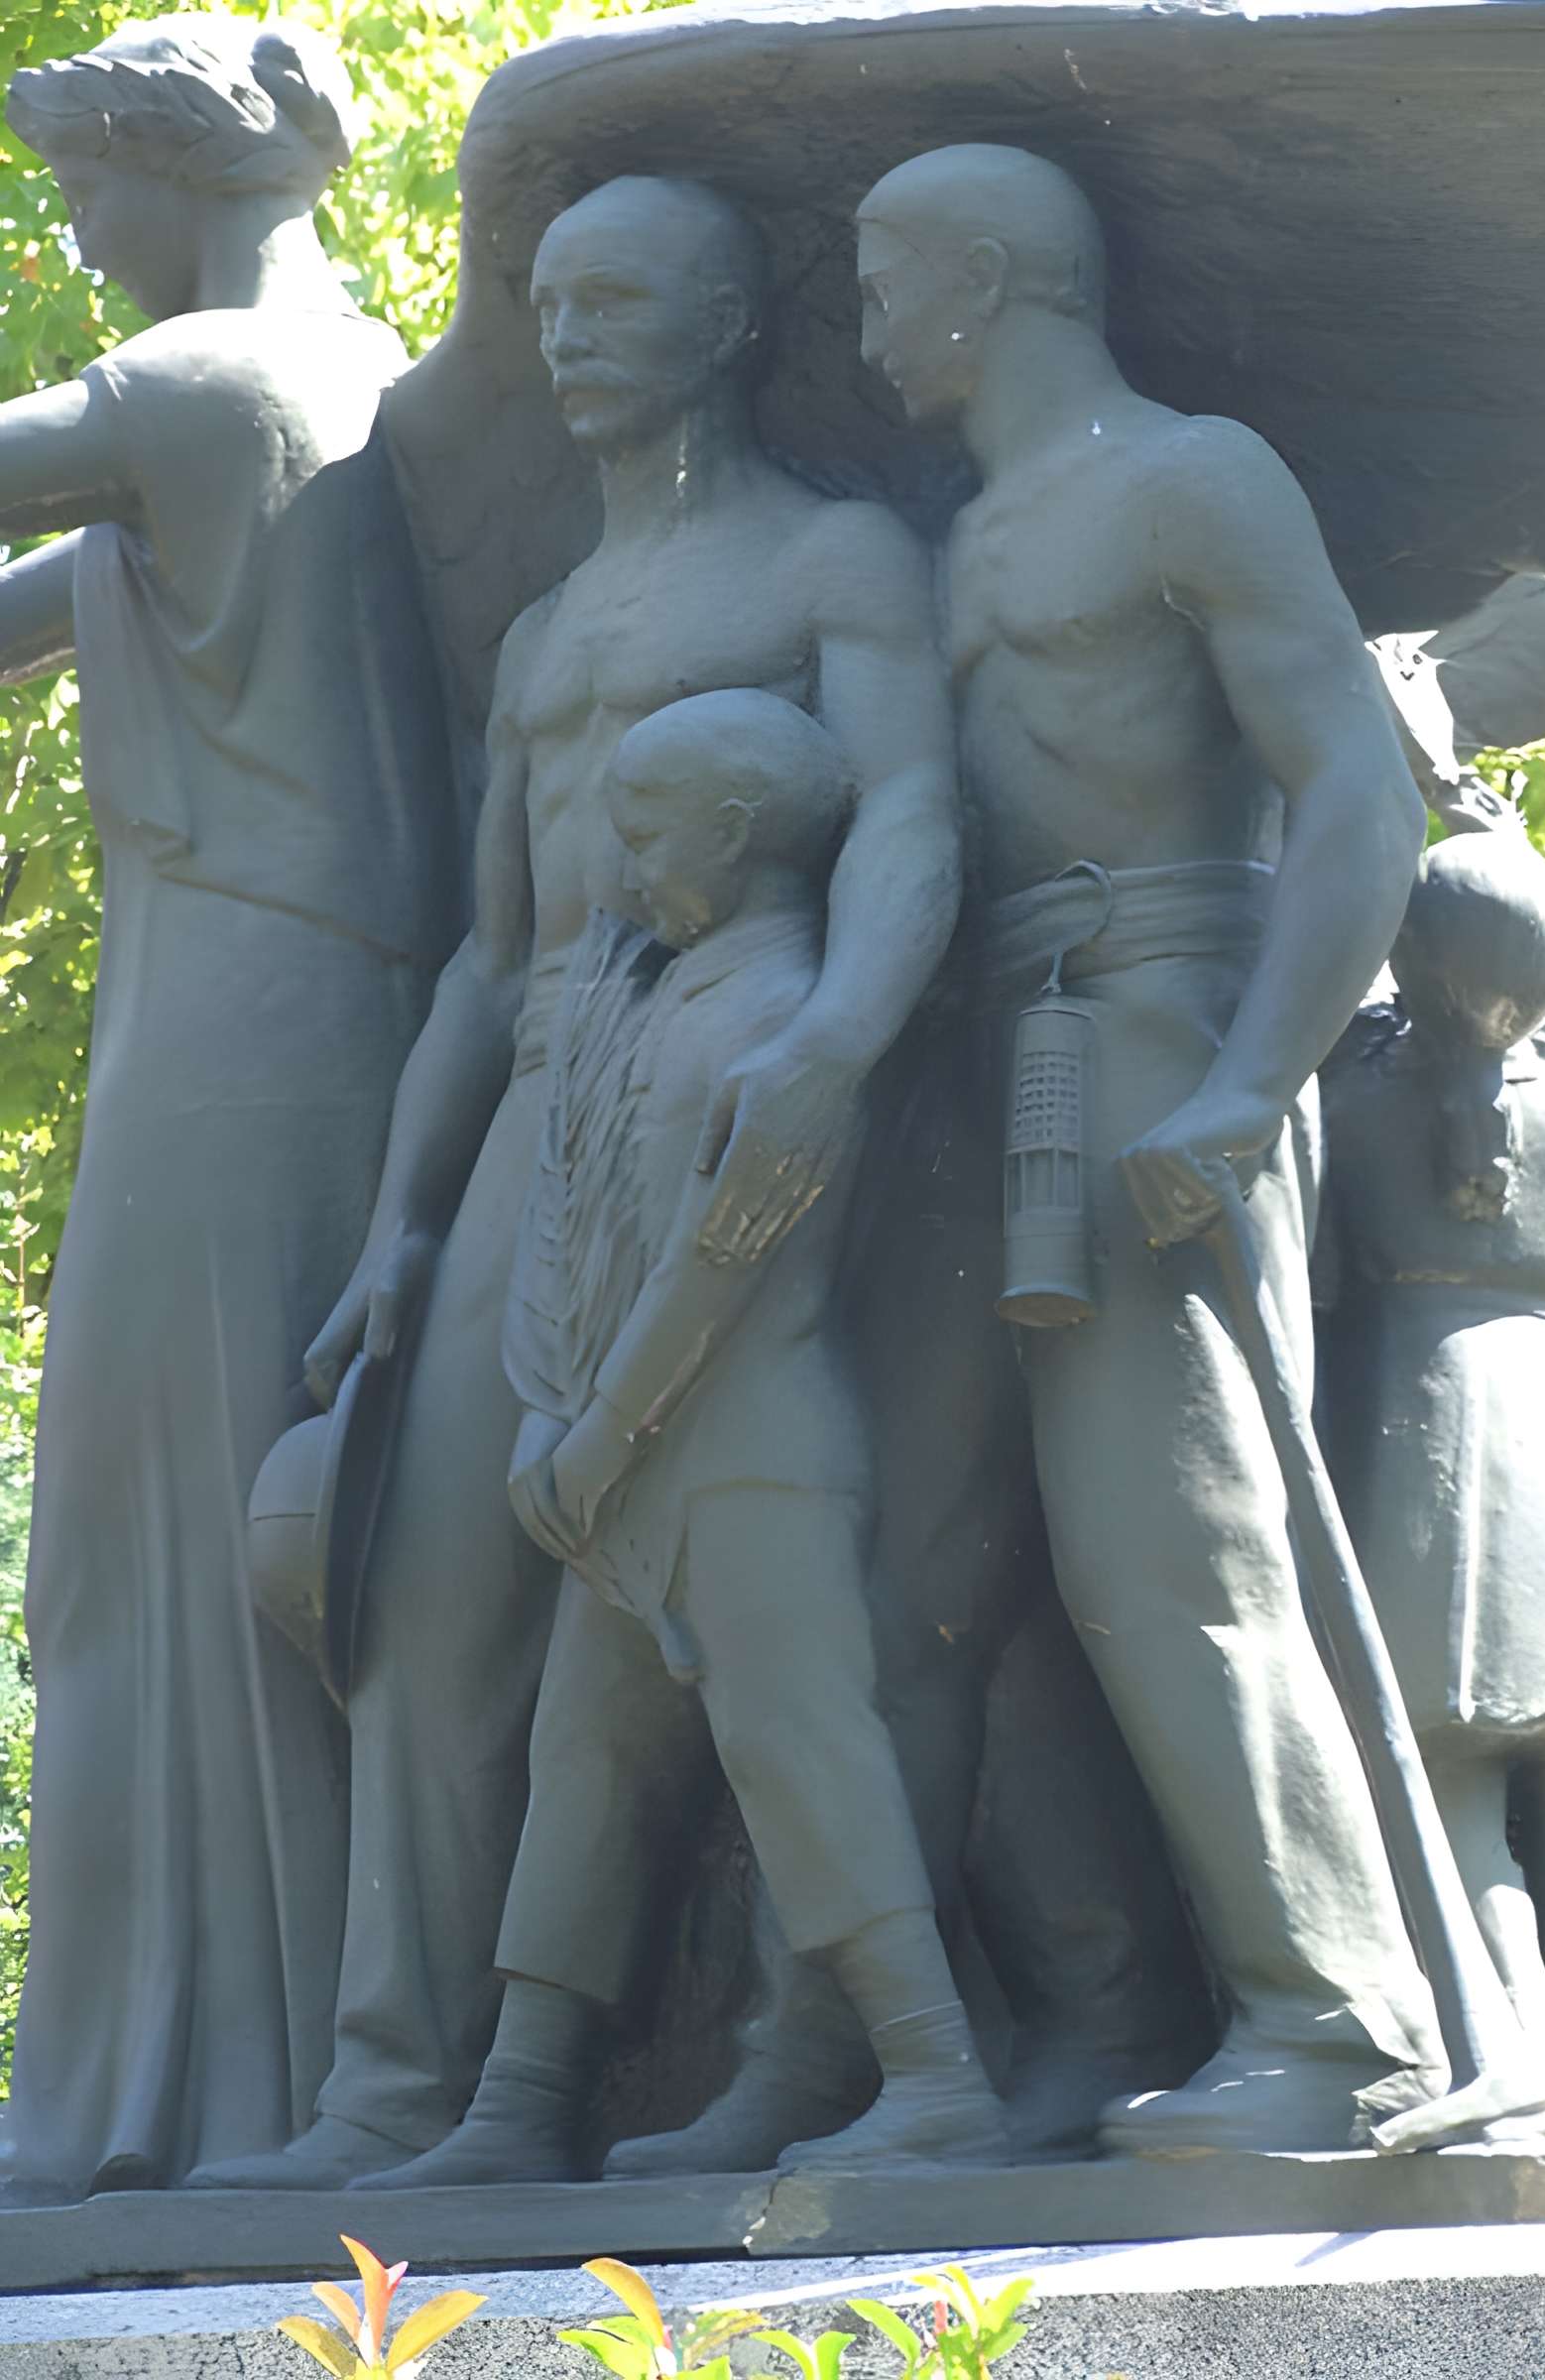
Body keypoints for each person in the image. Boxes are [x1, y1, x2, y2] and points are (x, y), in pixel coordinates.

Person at [192, 174, 963, 2189]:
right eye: (547, 300)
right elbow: (483, 956)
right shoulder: (538, 630)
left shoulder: (836, 557)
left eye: (619, 297)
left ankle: (841, 2048)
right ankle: (401, 2087)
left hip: (733, 1086)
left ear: (725, 324)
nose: (566, 334)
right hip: (543, 1098)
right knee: (437, 1597)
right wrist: (400, 1226)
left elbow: (905, 818)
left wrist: (834, 1045)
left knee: (758, 1622)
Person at [854, 143, 1443, 2153]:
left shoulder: (1193, 477)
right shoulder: (952, 539)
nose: (859, 329)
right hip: (985, 1068)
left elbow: (1358, 789)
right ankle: (1091, 2021)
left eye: (883, 278)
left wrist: (1247, 1087)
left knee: (1167, 1552)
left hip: (1158, 1030)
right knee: (935, 1578)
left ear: (993, 278)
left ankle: (1340, 2029)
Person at [0, 16, 453, 2200]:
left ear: (171, 169)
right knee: (211, 1524)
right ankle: (219, 2077)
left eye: (82, 186)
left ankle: (162, 2101)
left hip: (243, 1009)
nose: (73, 235)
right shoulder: (355, 380)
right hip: (303, 1010)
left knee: (148, 1536)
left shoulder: (214, 382)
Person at [372, 692, 1010, 2184]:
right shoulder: (645, 1000)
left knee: (802, 1751)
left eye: (644, 821)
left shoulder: (791, 1016)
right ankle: (522, 2100)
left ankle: (936, 2077)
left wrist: (593, 1434)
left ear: (735, 833)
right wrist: (560, 1420)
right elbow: (588, 1223)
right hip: (619, 1462)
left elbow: (719, 1261)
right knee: (584, 1757)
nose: (613, 851)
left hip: (746, 1454)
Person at [1321, 834, 1545, 2133]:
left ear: (1413, 970)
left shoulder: (1359, 1100)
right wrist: (1479, 823)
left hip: (1426, 1428)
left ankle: (1509, 2054)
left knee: (1450, 1765)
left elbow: (1335, 989)